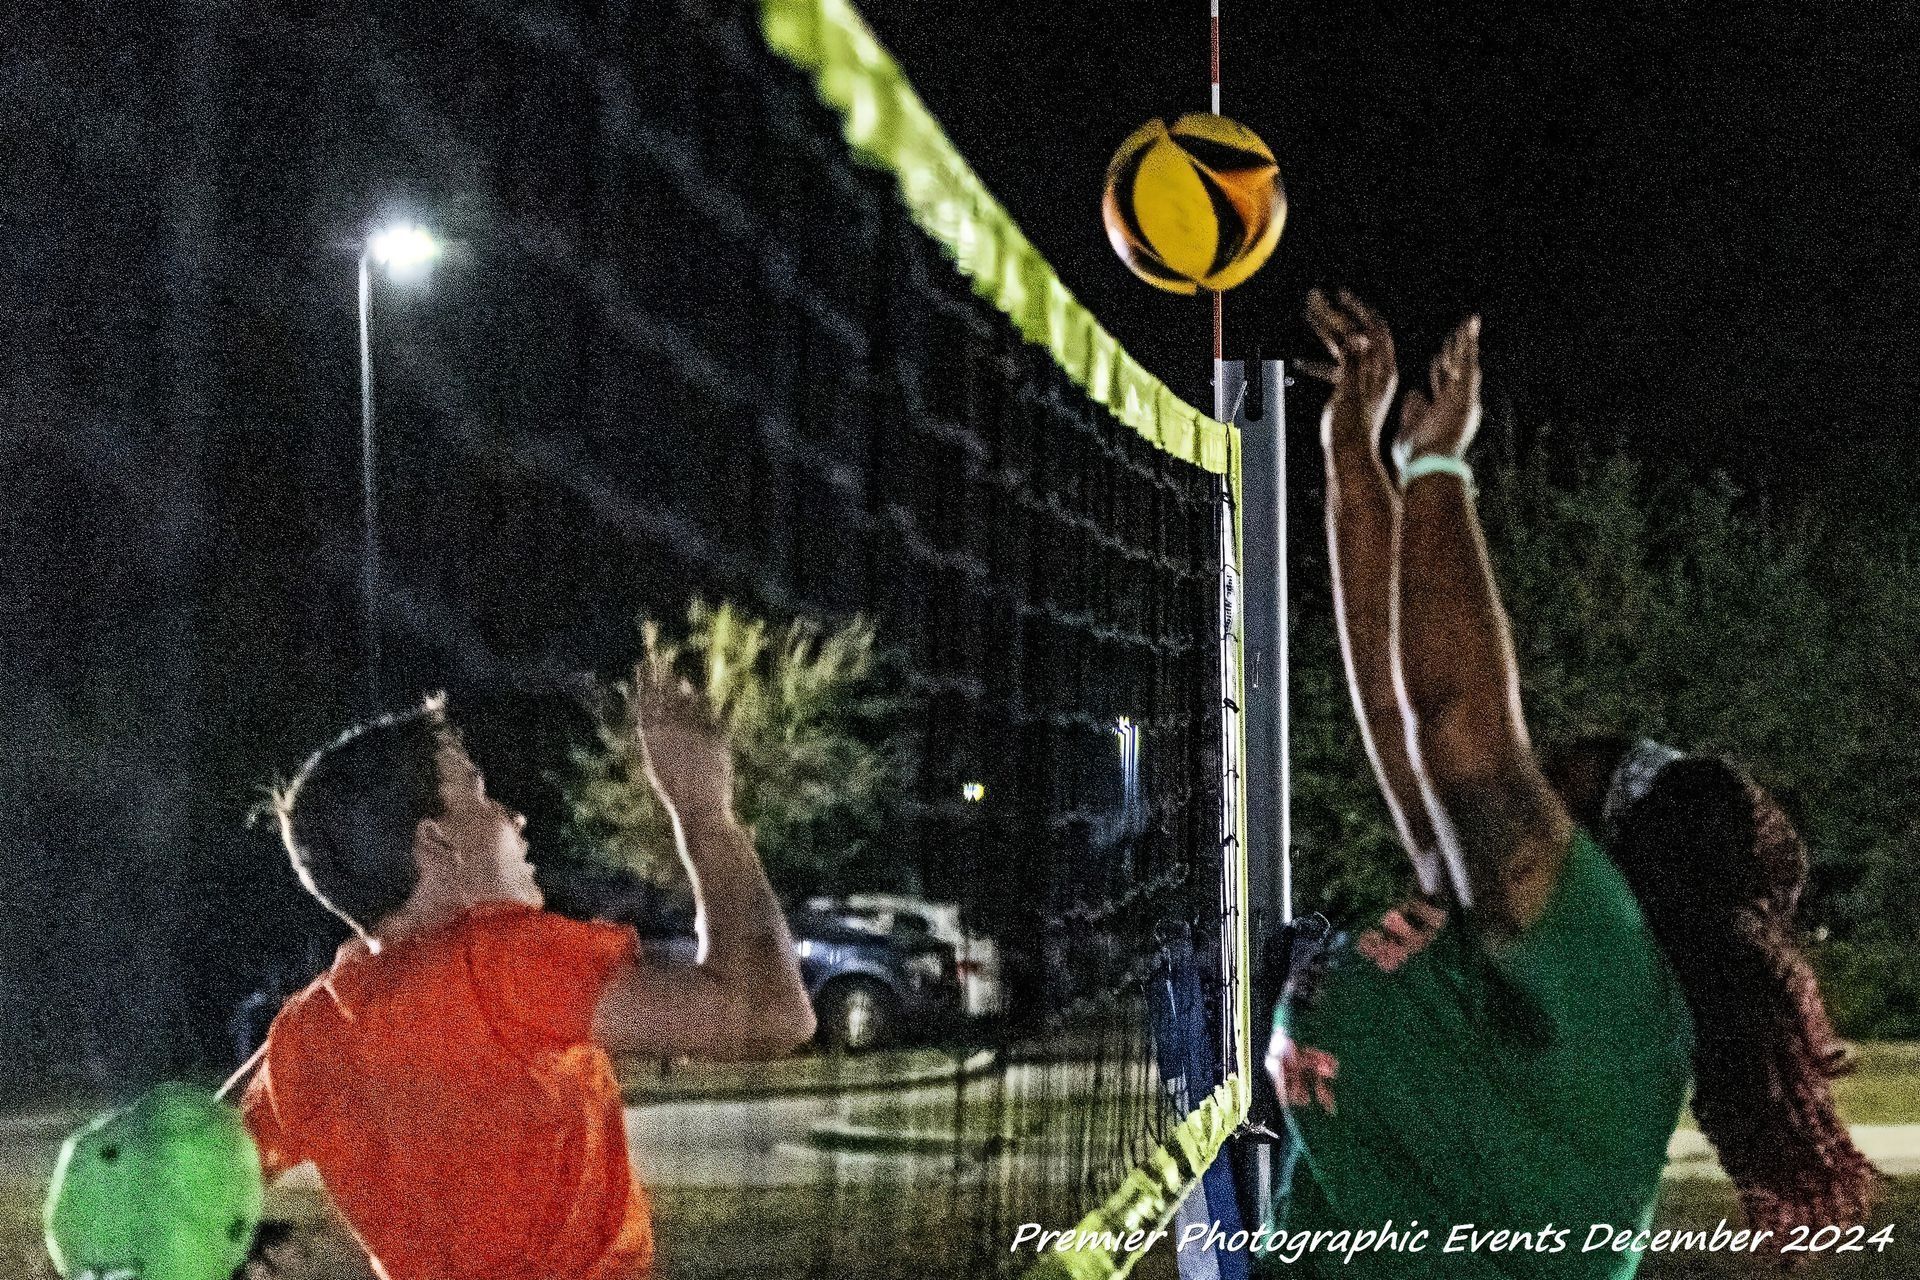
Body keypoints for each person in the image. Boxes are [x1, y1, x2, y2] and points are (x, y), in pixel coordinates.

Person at [1257, 289, 1878, 1276]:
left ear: (1616, 844)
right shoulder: (1499, 926)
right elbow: (1397, 703)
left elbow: (1460, 718)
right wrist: (1352, 450)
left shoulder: (1600, 955)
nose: (1538, 764)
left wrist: (1439, 462)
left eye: (1565, 768)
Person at [237, 674, 815, 1280]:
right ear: (434, 844)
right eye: (482, 797)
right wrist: (703, 812)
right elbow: (770, 1011)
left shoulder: (310, 1035)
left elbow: (186, 1156)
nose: (515, 817)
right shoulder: (495, 964)